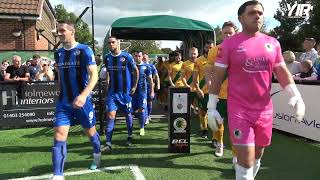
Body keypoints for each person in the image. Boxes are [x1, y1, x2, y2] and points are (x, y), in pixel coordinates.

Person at [207, 1, 305, 179]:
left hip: (264, 110)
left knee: (257, 155)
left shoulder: (272, 43)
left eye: (260, 12)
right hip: (239, 110)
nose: (257, 16)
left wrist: (295, 94)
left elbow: (281, 71)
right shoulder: (228, 45)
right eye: (252, 12)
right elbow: (218, 76)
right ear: (241, 18)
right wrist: (211, 106)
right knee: (245, 159)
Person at [51, 20, 101, 180]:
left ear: (72, 32)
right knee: (59, 134)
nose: (59, 33)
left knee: (90, 132)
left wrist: (83, 95)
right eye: (58, 31)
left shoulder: (84, 50)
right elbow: (60, 77)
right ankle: (58, 175)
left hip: (83, 102)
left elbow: (94, 75)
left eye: (62, 31)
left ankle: (97, 154)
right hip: (64, 102)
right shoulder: (58, 53)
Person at [102, 36, 139, 152]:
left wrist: (134, 86)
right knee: (110, 116)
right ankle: (108, 143)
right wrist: (107, 83)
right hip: (112, 93)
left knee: (128, 115)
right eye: (109, 43)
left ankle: (129, 136)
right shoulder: (107, 58)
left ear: (118, 43)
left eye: (113, 42)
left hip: (125, 93)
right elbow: (107, 71)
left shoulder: (127, 57)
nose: (111, 44)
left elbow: (136, 71)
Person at [206, 21, 237, 158]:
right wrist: (212, 92)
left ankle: (236, 156)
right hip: (220, 95)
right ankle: (220, 144)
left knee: (237, 127)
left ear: (235, 33)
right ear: (221, 34)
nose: (228, 35)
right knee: (218, 123)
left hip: (238, 96)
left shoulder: (242, 49)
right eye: (226, 33)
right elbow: (208, 73)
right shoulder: (214, 51)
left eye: (231, 32)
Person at [193, 40, 214, 138]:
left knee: (215, 113)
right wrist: (198, 89)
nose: (209, 50)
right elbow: (195, 77)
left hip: (216, 91)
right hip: (203, 91)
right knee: (203, 112)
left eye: (211, 47)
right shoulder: (198, 61)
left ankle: (216, 134)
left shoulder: (219, 59)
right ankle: (204, 129)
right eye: (207, 47)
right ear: (204, 48)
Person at [133, 52, 154, 136]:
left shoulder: (146, 66)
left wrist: (152, 91)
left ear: (142, 57)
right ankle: (131, 127)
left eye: (139, 56)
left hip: (142, 91)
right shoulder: (131, 66)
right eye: (136, 56)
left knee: (141, 109)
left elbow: (150, 80)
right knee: (131, 110)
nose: (138, 58)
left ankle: (142, 128)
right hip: (132, 92)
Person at [142, 53, 160, 124]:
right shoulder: (138, 65)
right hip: (141, 87)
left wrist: (158, 84)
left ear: (148, 59)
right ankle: (144, 116)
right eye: (143, 58)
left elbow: (156, 75)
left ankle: (148, 115)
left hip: (149, 86)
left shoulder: (151, 66)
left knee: (149, 102)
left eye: (145, 58)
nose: (144, 59)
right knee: (143, 102)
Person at [181, 47, 198, 114]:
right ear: (189, 54)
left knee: (200, 108)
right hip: (189, 88)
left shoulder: (201, 62)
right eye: (191, 54)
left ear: (197, 54)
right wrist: (186, 85)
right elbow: (182, 77)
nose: (193, 55)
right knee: (187, 107)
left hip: (200, 89)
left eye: (194, 54)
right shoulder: (184, 64)